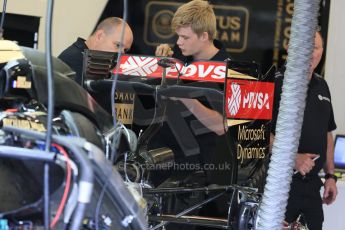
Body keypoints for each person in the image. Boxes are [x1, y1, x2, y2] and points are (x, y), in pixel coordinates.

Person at [270, 31, 337, 230]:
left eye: (315, 48)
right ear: (290, 49)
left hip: (312, 189)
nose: (310, 54)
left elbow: (327, 133)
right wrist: (292, 158)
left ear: (321, 51)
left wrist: (330, 176)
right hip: (280, 188)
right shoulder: (273, 83)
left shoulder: (322, 85)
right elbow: (255, 132)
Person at [58, 17, 133, 84]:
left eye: (125, 50)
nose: (121, 54)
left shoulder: (90, 61)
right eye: (118, 45)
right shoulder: (74, 60)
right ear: (99, 36)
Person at [155, 0, 228, 64]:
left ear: (204, 36)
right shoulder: (178, 52)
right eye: (179, 36)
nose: (178, 42)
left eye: (185, 37)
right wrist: (163, 63)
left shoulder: (228, 71)